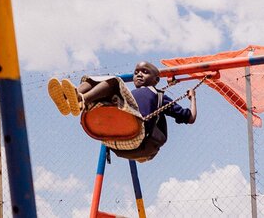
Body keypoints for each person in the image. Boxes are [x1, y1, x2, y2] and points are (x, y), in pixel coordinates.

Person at [48, 61, 197, 160]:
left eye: (145, 71)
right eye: (136, 72)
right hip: (116, 138)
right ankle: (72, 98)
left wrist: (192, 98)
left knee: (114, 81)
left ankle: (81, 100)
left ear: (156, 80)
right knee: (94, 80)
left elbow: (190, 117)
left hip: (139, 137)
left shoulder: (158, 95)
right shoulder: (130, 96)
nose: (139, 74)